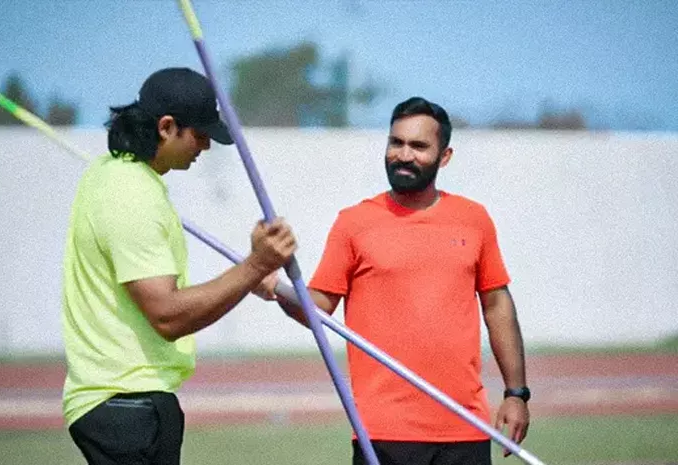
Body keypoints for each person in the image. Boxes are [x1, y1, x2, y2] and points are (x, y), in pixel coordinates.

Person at [61, 67, 296, 465]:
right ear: (167, 127)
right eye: (199, 134)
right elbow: (167, 315)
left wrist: (247, 276)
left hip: (125, 402)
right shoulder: (131, 194)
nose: (205, 146)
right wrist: (256, 266)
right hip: (127, 402)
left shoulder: (111, 174)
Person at [276, 97, 530, 465]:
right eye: (396, 143)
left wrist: (516, 393)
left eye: (419, 146)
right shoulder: (354, 223)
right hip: (382, 433)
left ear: (445, 157)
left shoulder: (473, 219)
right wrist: (273, 286)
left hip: (464, 426)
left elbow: (497, 304)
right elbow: (318, 309)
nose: (404, 155)